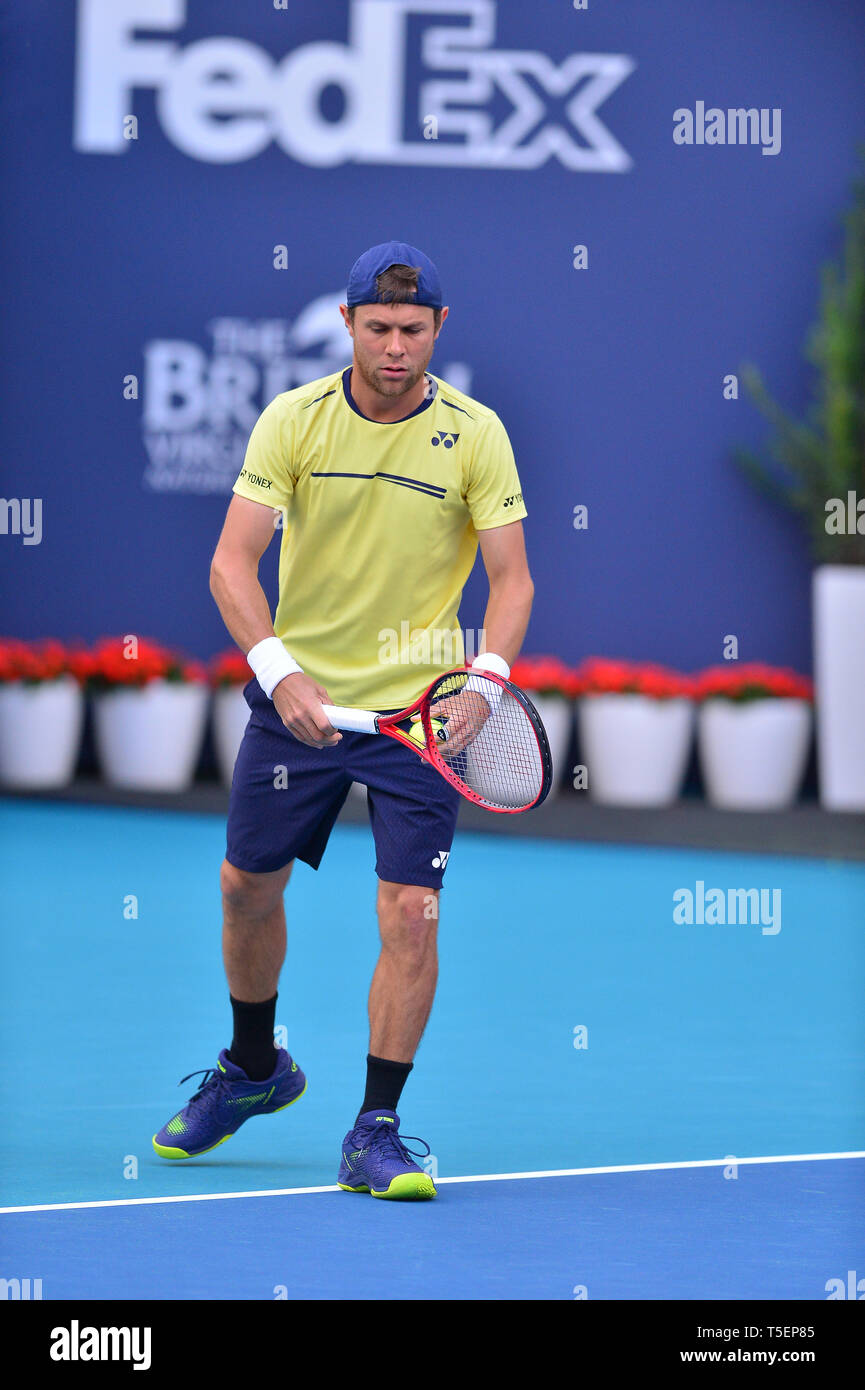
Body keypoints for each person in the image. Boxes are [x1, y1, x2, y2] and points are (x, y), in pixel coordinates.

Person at [153, 241, 533, 1199]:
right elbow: (230, 566)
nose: (395, 347)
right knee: (247, 886)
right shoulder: (295, 420)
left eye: (413, 330)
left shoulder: (477, 434)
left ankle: (376, 1128)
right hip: (302, 704)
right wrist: (281, 675)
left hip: (420, 715)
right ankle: (253, 1070)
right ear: (348, 326)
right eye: (378, 328)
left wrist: (481, 685)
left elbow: (513, 580)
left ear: (439, 328)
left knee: (411, 913)